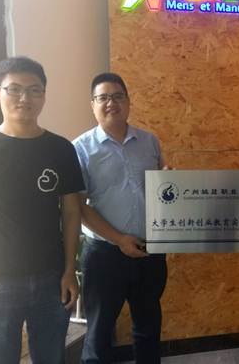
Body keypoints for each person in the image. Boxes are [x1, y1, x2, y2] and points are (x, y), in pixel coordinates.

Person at [0, 56, 83, 363]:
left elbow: (72, 212)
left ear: (44, 95)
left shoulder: (61, 149)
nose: (25, 98)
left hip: (51, 279)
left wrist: (69, 271)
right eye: (15, 89)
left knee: (51, 357)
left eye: (34, 90)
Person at [73, 72, 167, 364]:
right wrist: (119, 239)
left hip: (149, 250)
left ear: (128, 101)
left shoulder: (149, 142)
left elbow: (161, 191)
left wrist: (170, 184)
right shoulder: (80, 148)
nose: (111, 103)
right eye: (103, 98)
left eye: (117, 96)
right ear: (92, 104)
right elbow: (79, 207)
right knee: (99, 334)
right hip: (104, 255)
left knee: (148, 328)